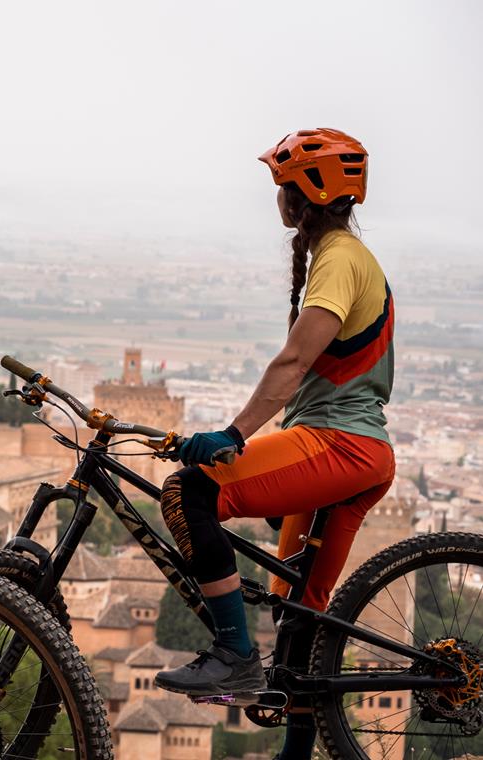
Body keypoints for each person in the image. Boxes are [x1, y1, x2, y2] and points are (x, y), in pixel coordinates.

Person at [152, 128, 393, 760]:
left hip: (337, 446)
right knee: (302, 621)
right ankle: (295, 753)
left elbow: (291, 363)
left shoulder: (339, 259)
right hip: (362, 455)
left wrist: (233, 436)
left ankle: (233, 653)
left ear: (304, 194)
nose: (276, 198)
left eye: (282, 186)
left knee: (188, 492)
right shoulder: (341, 256)